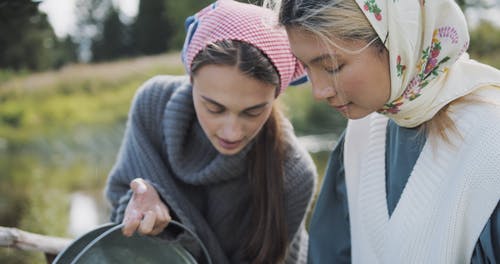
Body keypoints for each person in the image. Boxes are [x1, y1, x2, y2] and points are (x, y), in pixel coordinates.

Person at [264, 0, 500, 263]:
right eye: (307, 67)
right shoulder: (362, 134)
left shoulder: (491, 144)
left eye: (332, 66)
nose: (319, 91)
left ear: (396, 39)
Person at [104, 1, 317, 263]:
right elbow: (117, 220)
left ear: (276, 96)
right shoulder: (152, 105)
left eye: (252, 112)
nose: (232, 132)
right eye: (214, 108)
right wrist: (139, 205)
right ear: (191, 79)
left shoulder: (294, 172)